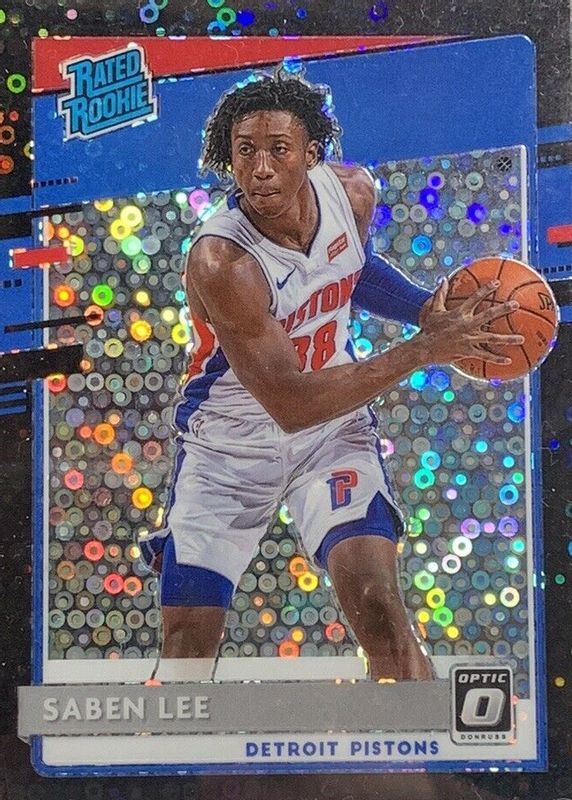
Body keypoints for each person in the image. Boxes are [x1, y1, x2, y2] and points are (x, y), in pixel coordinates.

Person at [139, 71, 523, 681]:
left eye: (278, 150)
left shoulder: (353, 192)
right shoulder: (222, 260)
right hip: (229, 447)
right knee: (186, 649)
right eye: (245, 152)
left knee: (380, 607)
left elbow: (352, 268)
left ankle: (426, 741)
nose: (260, 169)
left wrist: (425, 308)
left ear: (311, 154)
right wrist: (425, 348)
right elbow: (290, 403)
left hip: (333, 434)